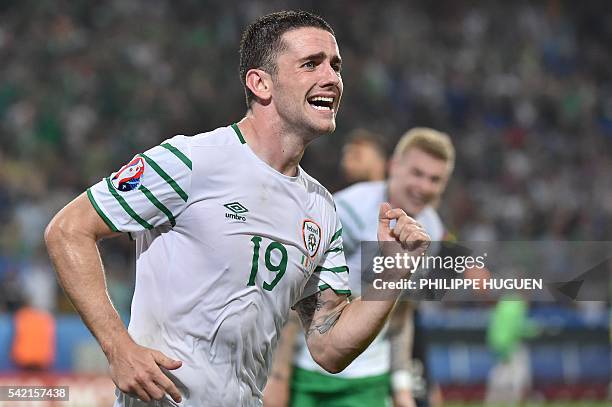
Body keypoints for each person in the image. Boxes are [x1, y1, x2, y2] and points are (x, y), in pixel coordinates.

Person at [44, 11, 430, 407]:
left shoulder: (321, 208)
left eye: (336, 65)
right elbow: (68, 229)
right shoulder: (190, 161)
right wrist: (117, 347)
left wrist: (393, 271)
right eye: (311, 63)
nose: (331, 77)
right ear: (260, 83)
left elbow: (328, 349)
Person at [264, 128, 455, 407]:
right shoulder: (348, 211)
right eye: (417, 173)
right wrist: (278, 376)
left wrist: (402, 387)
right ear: (394, 166)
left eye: (435, 179)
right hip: (308, 373)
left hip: (369, 381)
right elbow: (296, 295)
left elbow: (402, 317)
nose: (424, 186)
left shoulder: (433, 233)